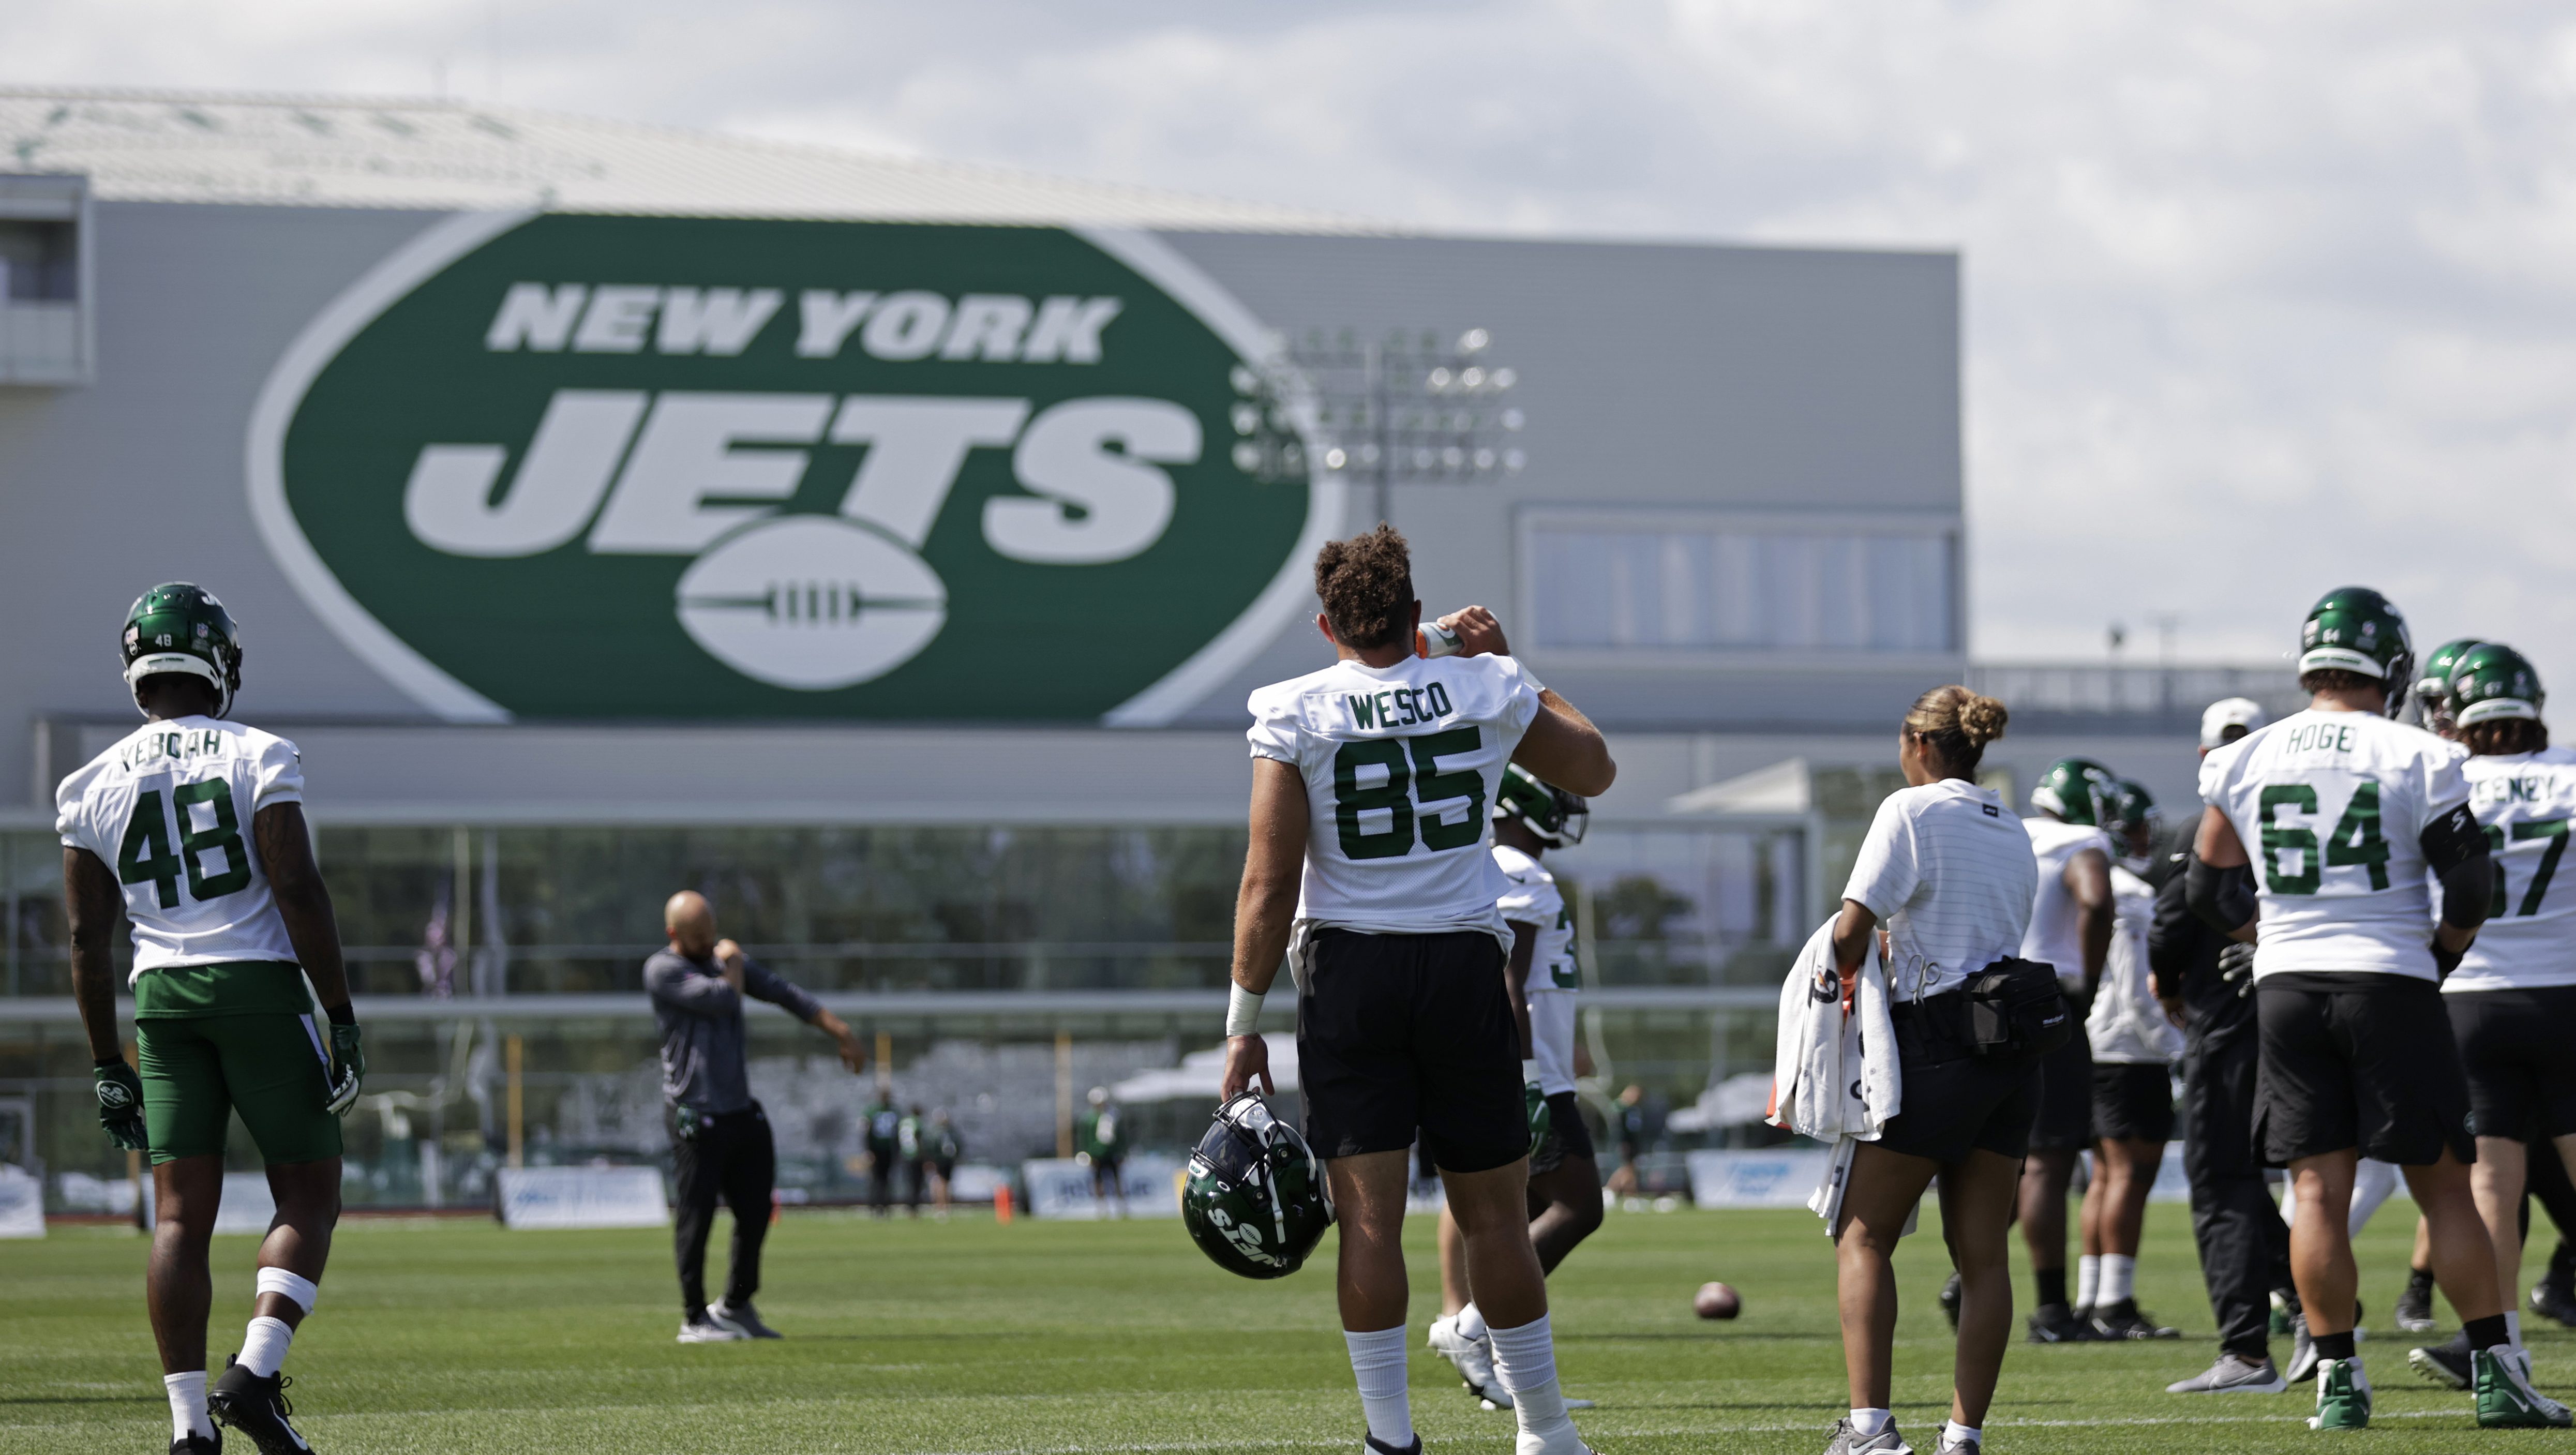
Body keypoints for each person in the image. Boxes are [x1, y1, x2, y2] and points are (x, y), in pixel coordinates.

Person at [1218, 524, 1614, 1455]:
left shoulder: (1294, 705)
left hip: (1352, 970)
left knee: (1368, 1220)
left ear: (1326, 623)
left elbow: (1269, 885)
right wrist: (1506, 661)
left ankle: (1391, 1438)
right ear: (1413, 610)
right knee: (1496, 1220)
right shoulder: (1486, 685)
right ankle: (1545, 1430)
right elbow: (1593, 766)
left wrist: (1243, 1024)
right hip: (1461, 967)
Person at [2188, 584, 2563, 1429]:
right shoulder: (2415, 750)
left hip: (2287, 986)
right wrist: (2440, 952)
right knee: (2445, 1188)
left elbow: (2205, 883)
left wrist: (2268, 934)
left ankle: (2337, 1382)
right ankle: (2498, 1375)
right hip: (2389, 976)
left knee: (2315, 1189)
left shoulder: (2243, 755)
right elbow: (2471, 879)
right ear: (2391, 666)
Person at [61, 583, 364, 1455]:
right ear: (218, 660)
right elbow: (297, 887)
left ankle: (190, 1427)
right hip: (259, 986)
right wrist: (339, 1012)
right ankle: (256, 1374)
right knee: (309, 1188)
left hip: (161, 1002)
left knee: (180, 1216)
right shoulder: (259, 751)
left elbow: (87, 937)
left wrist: (105, 1059)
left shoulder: (88, 782)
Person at [1825, 684, 2033, 1455]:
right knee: (1982, 1257)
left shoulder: (1908, 810)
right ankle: (1962, 1435)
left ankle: (1871, 1429)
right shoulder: (2009, 821)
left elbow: (1852, 933)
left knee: (1864, 1234)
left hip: (1936, 1039)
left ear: (1918, 743)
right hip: (2012, 1049)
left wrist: (1847, 965)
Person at [2405, 645, 2576, 1390]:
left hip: (2470, 1000)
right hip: (2568, 991)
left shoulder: (2445, 777)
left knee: (2491, 1190)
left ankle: (2499, 1349)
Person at [1430, 766, 1601, 1408]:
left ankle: (1509, 1373)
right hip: (1533, 1076)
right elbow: (1509, 982)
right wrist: (1527, 1078)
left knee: (1516, 1217)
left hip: (1520, 1068)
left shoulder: (1488, 866)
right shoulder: (1520, 870)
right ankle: (1469, 1327)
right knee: (1581, 1206)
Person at [2160, 698, 2300, 1393]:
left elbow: (2172, 924)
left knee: (2221, 1179)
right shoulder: (2292, 817)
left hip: (2226, 1020)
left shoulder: (2203, 827)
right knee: (2292, 1177)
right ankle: (2315, 1308)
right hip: (2303, 1010)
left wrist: (2166, 989)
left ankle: (2248, 1348)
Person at [648, 890, 863, 1342]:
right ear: (675, 935)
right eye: (699, 937)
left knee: (757, 1210)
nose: (710, 943)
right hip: (693, 1113)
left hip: (739, 1110)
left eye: (711, 934)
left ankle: (736, 1304)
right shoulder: (664, 970)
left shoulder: (724, 963)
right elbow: (724, 998)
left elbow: (784, 993)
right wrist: (734, 963)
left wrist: (839, 1030)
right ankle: (693, 1316)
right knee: (697, 1213)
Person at [2075, 778, 2184, 1340]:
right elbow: (2140, 991)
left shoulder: (2079, 878)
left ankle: (2093, 1295)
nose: (2145, 837)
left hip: (2091, 1044)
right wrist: (2178, 1047)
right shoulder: (2131, 893)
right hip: (2127, 1050)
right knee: (2128, 1177)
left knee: (2102, 1177)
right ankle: (2114, 1301)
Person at [2016, 757, 2119, 1343]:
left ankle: (1966, 1278)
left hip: (1987, 999)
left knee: (2002, 1157)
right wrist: (2088, 977)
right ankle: (2053, 1308)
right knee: (2049, 1161)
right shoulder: (2081, 840)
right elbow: (2097, 899)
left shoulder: (2010, 831)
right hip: (2047, 1000)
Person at [1079, 1087, 1130, 1217]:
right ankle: (1102, 1208)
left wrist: (1122, 1152)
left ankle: (1121, 1207)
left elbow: (1121, 1136)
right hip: (1097, 1154)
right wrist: (1088, 1154)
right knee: (1098, 1182)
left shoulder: (1113, 1115)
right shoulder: (1089, 1119)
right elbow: (1086, 1139)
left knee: (1117, 1180)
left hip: (1112, 1153)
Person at [864, 1093, 901, 1218]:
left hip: (887, 1149)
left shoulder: (890, 1111)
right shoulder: (876, 1111)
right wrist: (869, 1150)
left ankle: (883, 1205)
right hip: (878, 1149)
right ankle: (876, 1205)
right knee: (878, 1179)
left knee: (884, 1179)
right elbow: (867, 1131)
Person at [926, 1108, 962, 1219]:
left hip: (941, 1160)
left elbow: (932, 1146)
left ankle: (941, 1206)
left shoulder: (938, 1132)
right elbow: (959, 1145)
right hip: (947, 1160)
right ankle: (944, 1206)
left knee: (941, 1183)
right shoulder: (951, 1132)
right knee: (944, 1183)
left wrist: (931, 1158)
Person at [898, 1104, 927, 1217]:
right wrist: (924, 1156)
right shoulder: (917, 1122)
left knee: (909, 1182)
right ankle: (914, 1207)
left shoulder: (904, 1122)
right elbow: (918, 1138)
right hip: (915, 1156)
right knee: (917, 1183)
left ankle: (909, 1205)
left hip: (905, 1155)